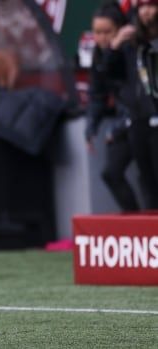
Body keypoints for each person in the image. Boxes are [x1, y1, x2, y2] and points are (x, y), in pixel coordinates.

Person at [85, 1, 140, 212]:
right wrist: (91, 127)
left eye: (107, 31)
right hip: (125, 124)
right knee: (111, 173)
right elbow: (97, 94)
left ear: (120, 29)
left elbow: (135, 94)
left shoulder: (132, 48)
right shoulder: (100, 55)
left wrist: (119, 127)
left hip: (140, 121)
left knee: (149, 177)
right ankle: (136, 226)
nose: (102, 37)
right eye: (97, 32)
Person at [106, 0, 158, 208]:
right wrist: (114, 46)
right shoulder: (130, 40)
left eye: (152, 5)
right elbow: (109, 76)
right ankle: (151, 235)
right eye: (142, 5)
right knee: (147, 180)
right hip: (138, 119)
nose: (146, 11)